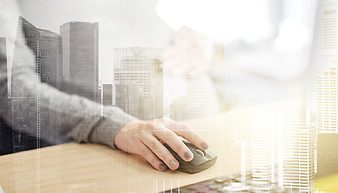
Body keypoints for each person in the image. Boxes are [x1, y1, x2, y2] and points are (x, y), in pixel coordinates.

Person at [0, 0, 209, 172]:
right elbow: (13, 91)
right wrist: (115, 126)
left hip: (202, 127)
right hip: (119, 153)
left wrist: (201, 46)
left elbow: (135, 19)